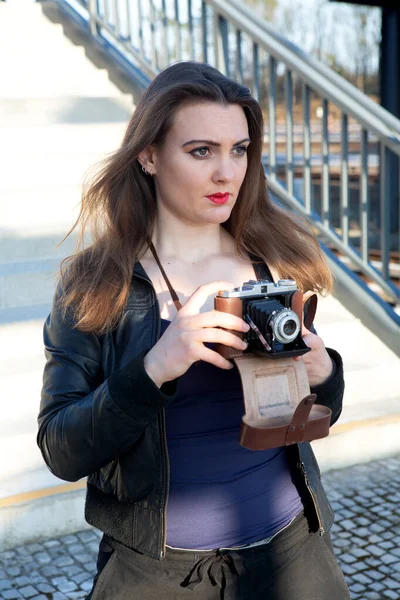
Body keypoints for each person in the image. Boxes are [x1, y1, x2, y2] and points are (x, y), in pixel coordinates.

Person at [37, 61, 350, 599]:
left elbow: (312, 412)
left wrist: (326, 373)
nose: (227, 173)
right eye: (201, 150)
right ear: (149, 154)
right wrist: (155, 366)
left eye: (240, 149)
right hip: (157, 572)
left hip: (293, 557)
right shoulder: (94, 284)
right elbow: (61, 449)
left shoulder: (274, 262)